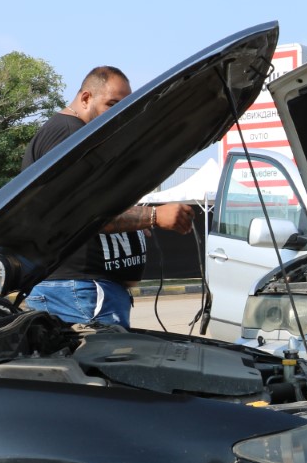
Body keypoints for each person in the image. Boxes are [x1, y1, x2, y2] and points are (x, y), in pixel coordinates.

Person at [22, 66, 194, 326]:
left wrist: (131, 221)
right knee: (98, 366)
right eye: (111, 104)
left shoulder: (78, 135)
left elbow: (87, 205)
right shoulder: (68, 134)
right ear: (86, 98)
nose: (119, 114)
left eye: (125, 107)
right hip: (79, 291)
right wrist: (154, 216)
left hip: (86, 291)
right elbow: (78, 214)